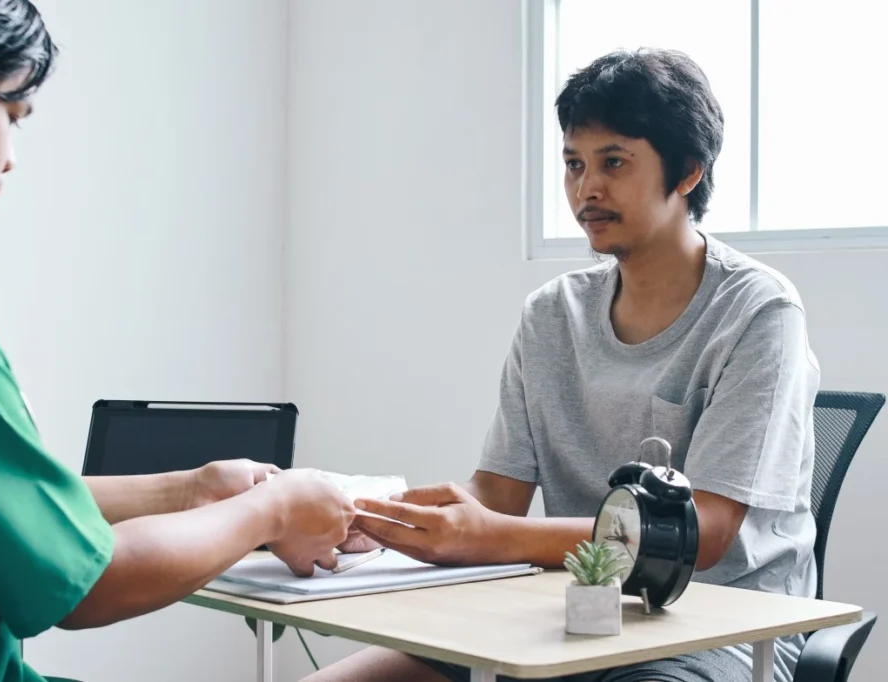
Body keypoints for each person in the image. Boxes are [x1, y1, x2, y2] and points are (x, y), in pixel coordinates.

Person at [0, 2, 356, 681]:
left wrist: (192, 489)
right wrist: (271, 509)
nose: (11, 157)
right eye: (12, 115)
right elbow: (90, 584)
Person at [306, 48, 820, 682]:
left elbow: (705, 534)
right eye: (574, 164)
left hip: (713, 628)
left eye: (613, 163)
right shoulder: (552, 314)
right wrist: (379, 521)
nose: (586, 189)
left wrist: (486, 535)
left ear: (688, 171)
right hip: (564, 612)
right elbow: (497, 495)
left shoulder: (759, 310)